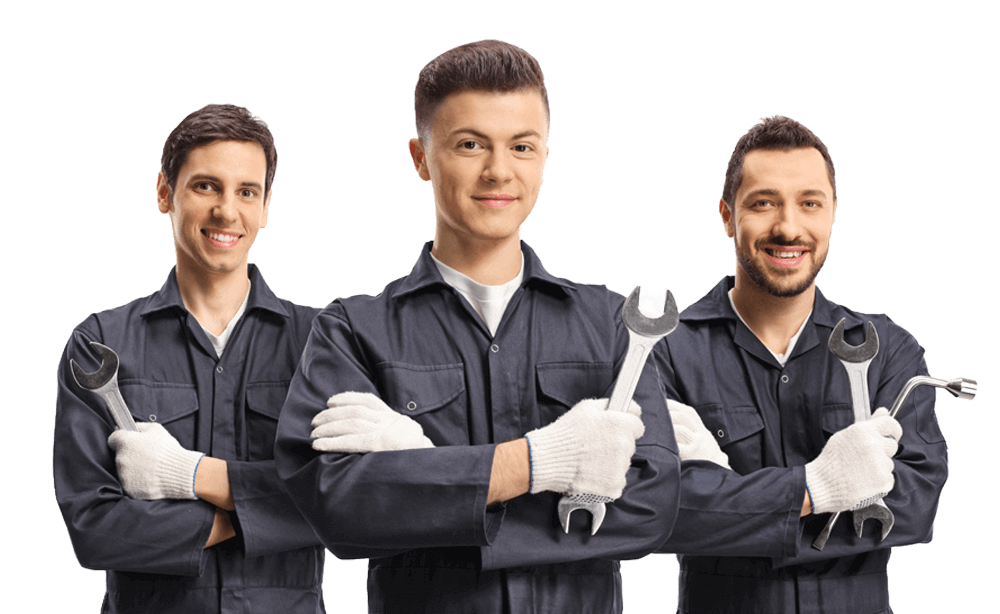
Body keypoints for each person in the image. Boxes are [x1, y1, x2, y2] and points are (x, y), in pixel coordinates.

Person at [274, 39, 679, 613]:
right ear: (420, 157)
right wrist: (540, 463)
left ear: (544, 155)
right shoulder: (351, 330)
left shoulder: (613, 325)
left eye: (521, 146)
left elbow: (652, 508)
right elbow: (336, 510)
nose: (499, 171)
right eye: (470, 145)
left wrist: (422, 473)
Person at [654, 114, 949, 613]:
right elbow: (661, 511)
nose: (788, 227)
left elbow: (915, 508)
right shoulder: (667, 352)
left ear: (832, 211)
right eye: (763, 203)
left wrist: (733, 511)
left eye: (809, 203)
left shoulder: (887, 349)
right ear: (727, 216)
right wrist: (823, 488)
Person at [53, 104, 326, 613]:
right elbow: (93, 529)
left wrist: (187, 476)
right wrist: (261, 516)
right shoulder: (101, 343)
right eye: (205, 187)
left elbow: (350, 499)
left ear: (266, 207)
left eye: (246, 191)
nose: (227, 210)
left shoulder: (321, 342)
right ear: (164, 194)